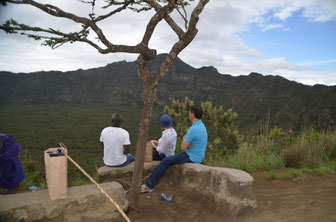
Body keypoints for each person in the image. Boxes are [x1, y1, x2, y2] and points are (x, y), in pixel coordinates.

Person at [141, 104, 208, 193]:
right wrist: (187, 141)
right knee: (167, 160)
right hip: (198, 154)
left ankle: (149, 185)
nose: (188, 113)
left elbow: (182, 147)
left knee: (165, 161)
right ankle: (149, 184)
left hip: (191, 156)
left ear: (192, 114)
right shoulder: (200, 125)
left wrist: (186, 142)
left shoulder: (193, 129)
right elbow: (185, 138)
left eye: (189, 112)